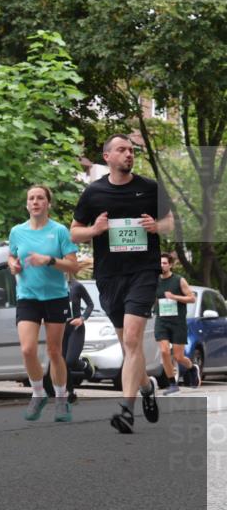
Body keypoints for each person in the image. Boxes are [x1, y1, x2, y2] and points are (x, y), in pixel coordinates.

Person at [71, 134, 174, 433]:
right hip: (109, 276)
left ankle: (126, 411)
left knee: (131, 340)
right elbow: (74, 232)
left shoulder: (149, 188)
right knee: (128, 346)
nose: (129, 154)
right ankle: (146, 388)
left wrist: (157, 226)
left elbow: (170, 222)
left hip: (143, 272)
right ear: (107, 157)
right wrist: (94, 229)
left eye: (131, 150)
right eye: (122, 150)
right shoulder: (94, 193)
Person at [8, 185, 81, 423]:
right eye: (31, 198)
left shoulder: (59, 231)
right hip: (27, 296)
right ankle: (38, 394)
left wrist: (48, 260)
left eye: (40, 198)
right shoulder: (17, 232)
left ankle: (61, 399)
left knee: (54, 351)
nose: (35, 201)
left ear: (48, 203)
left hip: (55, 297)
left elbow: (73, 266)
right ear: (27, 204)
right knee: (27, 349)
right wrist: (13, 265)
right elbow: (12, 255)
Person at [155, 253, 199, 394]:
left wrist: (174, 297)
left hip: (177, 322)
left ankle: (192, 368)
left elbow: (192, 299)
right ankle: (172, 384)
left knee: (178, 357)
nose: (162, 265)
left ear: (170, 265)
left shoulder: (179, 280)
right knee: (164, 351)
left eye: (164, 263)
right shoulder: (155, 281)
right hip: (161, 321)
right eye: (160, 263)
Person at [61, 275, 95, 404]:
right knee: (62, 363)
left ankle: (85, 364)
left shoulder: (77, 286)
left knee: (70, 361)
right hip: (61, 330)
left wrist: (82, 318)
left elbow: (90, 305)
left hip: (76, 328)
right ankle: (71, 392)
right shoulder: (54, 287)